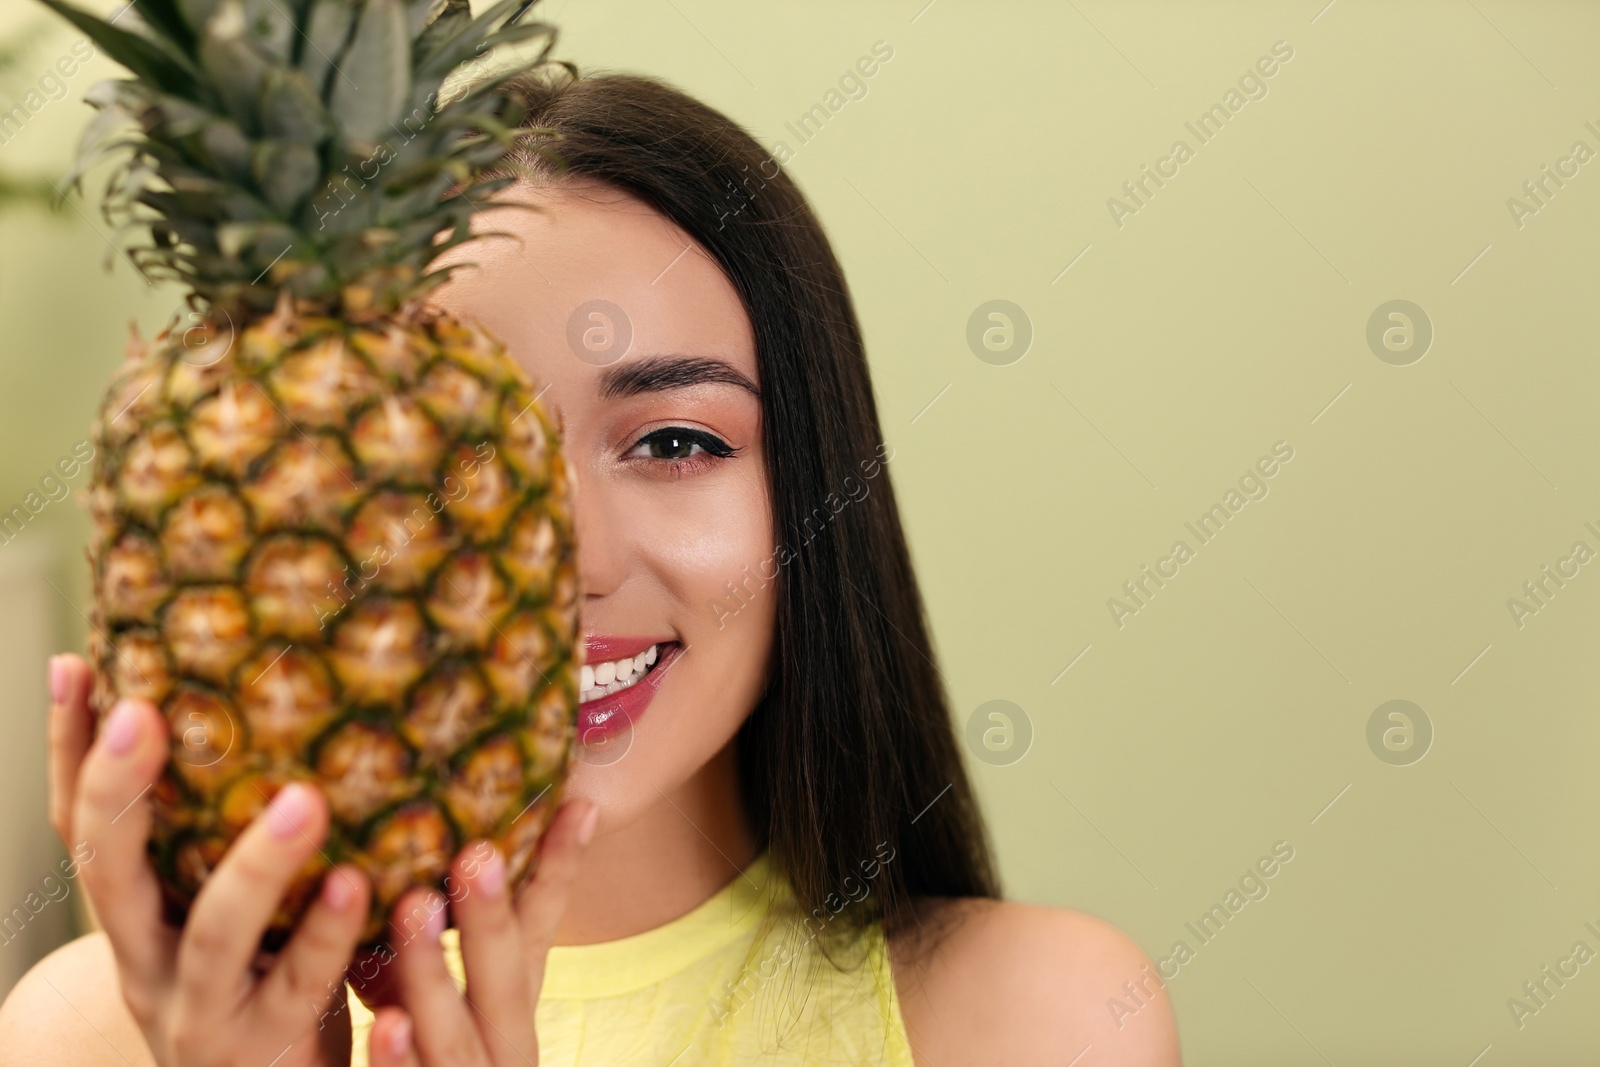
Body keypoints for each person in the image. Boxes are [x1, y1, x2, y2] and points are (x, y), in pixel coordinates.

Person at [0, 69, 1179, 1066]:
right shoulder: (86, 1031)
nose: (579, 561)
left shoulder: (1037, 1017)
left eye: (675, 441)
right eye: (449, 457)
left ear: (810, 489)